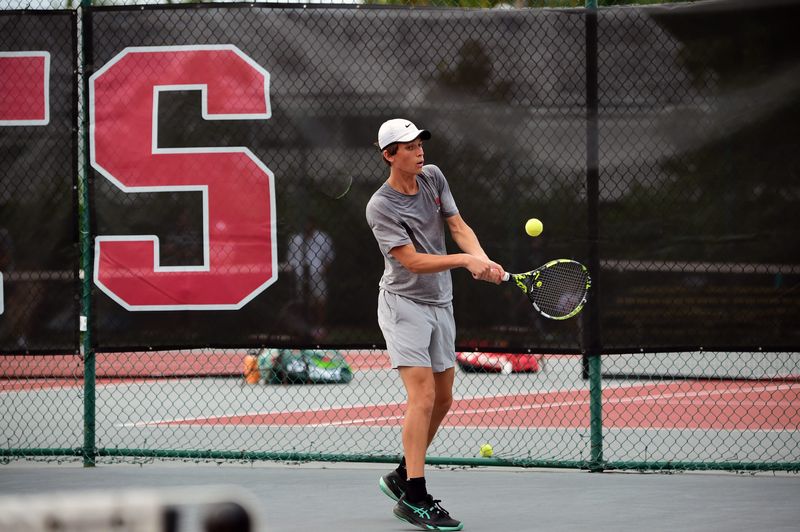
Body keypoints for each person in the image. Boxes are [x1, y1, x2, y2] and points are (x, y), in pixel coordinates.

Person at [365, 118, 504, 531]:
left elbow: (458, 226)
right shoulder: (381, 206)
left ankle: (401, 474)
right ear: (389, 155)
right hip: (403, 305)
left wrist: (482, 261)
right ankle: (416, 497)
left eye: (420, 143)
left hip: (441, 302)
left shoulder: (433, 178)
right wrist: (465, 261)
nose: (419, 151)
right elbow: (411, 261)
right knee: (422, 396)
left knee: (443, 399)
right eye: (409, 146)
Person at [286, 216, 335, 340]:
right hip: (300, 277)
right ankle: (302, 328)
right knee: (300, 302)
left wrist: (323, 271)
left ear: (314, 224)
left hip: (317, 275)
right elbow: (290, 260)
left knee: (320, 301)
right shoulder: (295, 240)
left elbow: (329, 258)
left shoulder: (322, 238)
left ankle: (319, 327)